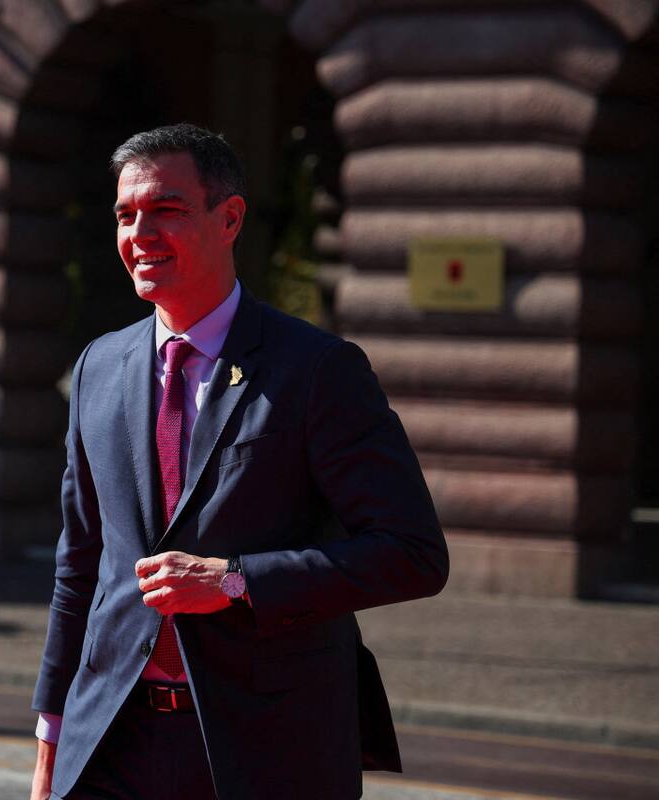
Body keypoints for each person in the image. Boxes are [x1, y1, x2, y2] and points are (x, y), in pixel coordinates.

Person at [30, 124, 449, 800]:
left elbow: (413, 554)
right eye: (125, 215)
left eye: (166, 210)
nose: (140, 233)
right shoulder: (98, 367)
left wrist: (234, 581)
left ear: (229, 219)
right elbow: (80, 566)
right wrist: (52, 733)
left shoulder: (317, 371)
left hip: (263, 751)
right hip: (110, 743)